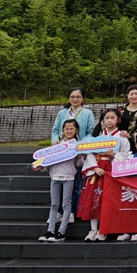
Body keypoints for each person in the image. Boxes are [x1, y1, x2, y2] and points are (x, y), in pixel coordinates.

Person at [78, 108, 131, 242]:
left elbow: (126, 156)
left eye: (112, 118)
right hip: (97, 169)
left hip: (112, 170)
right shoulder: (98, 137)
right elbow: (90, 153)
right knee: (94, 198)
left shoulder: (122, 137)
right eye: (107, 118)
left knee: (107, 200)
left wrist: (114, 156)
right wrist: (95, 167)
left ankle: (104, 229)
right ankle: (93, 229)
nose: (109, 121)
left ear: (118, 120)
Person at [49, 87, 94, 220]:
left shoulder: (87, 113)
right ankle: (58, 212)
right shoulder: (62, 113)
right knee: (58, 182)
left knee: (76, 183)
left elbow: (90, 132)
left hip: (77, 151)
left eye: (78, 97)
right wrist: (55, 141)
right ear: (69, 98)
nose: (75, 99)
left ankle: (71, 212)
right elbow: (55, 130)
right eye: (72, 97)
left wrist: (82, 146)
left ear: (83, 99)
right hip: (61, 151)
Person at [36, 119, 83, 242]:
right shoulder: (57, 145)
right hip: (55, 176)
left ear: (76, 130)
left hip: (68, 177)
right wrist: (41, 166)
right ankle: (50, 230)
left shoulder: (76, 145)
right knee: (54, 204)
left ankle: (61, 232)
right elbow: (49, 161)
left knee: (66, 204)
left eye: (71, 129)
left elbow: (79, 164)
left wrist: (83, 155)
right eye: (66, 129)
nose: (69, 131)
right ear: (62, 130)